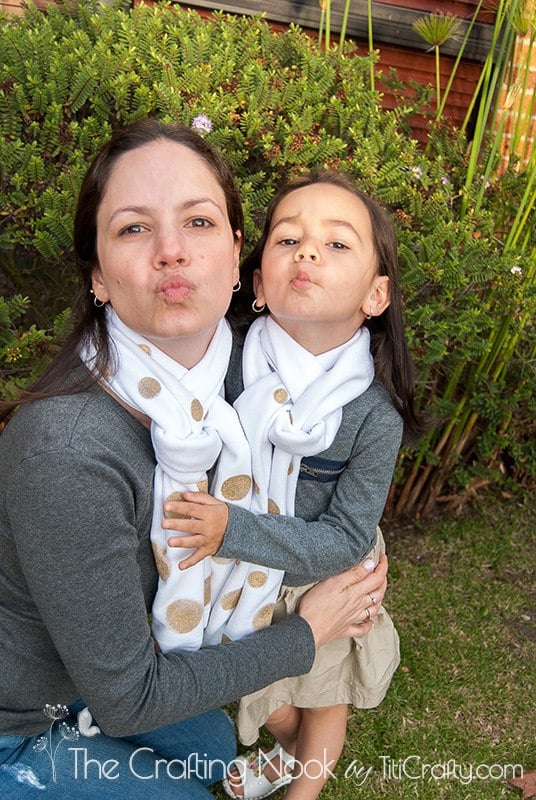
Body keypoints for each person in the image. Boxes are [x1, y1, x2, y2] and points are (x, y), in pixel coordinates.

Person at [0, 121, 389, 800]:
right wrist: (308, 632)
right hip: (23, 721)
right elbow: (130, 702)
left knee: (210, 746)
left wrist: (352, 562)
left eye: (199, 222)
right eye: (132, 229)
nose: (172, 253)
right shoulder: (66, 450)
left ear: (239, 255)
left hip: (104, 679)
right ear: (97, 273)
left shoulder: (240, 382)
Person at [162, 169, 424, 799]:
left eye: (337, 244)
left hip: (327, 571)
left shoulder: (372, 412)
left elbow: (344, 537)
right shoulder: (221, 360)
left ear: (376, 295)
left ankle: (303, 790)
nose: (307, 252)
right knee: (259, 689)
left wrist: (234, 529)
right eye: (287, 240)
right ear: (256, 283)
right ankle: (286, 751)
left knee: (323, 691)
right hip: (230, 566)